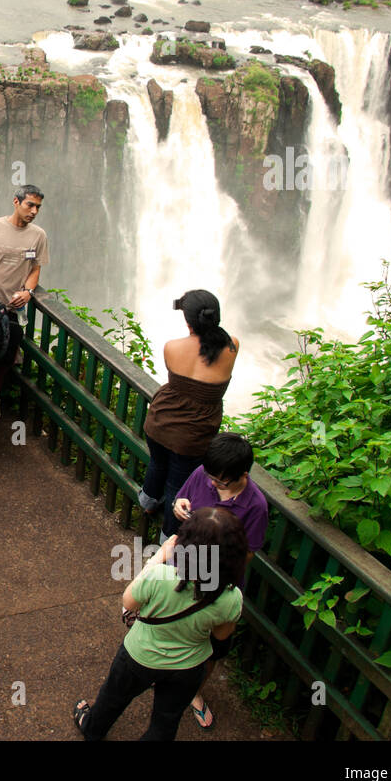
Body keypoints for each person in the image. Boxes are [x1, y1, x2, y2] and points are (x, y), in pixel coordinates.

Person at [73, 506, 246, 741]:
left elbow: (129, 601)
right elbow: (222, 636)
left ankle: (92, 728)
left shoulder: (161, 576)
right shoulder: (231, 598)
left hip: (140, 655)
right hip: (188, 666)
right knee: (166, 720)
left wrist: (158, 557)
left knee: (113, 698)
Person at [168, 432, 268, 728]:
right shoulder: (203, 473)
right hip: (183, 570)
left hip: (219, 583)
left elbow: (248, 553)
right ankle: (165, 672)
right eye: (211, 477)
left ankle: (194, 691)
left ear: (242, 475)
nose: (213, 484)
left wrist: (212, 560)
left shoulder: (256, 506)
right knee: (174, 623)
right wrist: (179, 505)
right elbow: (182, 497)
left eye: (220, 481)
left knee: (213, 644)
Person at [139, 290, 240, 529]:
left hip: (159, 421)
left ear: (188, 321)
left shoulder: (172, 348)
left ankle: (148, 502)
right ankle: (168, 538)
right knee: (179, 487)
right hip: (194, 435)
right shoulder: (232, 346)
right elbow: (215, 346)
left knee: (157, 463)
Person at [0, 185, 48, 428]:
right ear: (16, 201)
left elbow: (35, 269)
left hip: (11, 309)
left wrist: (28, 291)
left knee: (6, 357)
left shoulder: (39, 236)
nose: (34, 211)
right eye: (30, 205)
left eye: (38, 207)